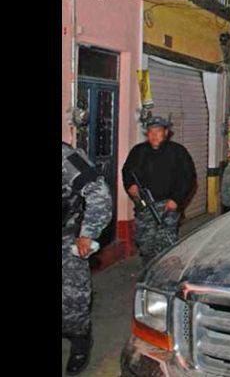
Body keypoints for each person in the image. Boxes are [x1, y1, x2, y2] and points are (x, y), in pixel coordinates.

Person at [62, 142, 112, 375]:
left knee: (73, 302)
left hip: (65, 240)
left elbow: (98, 191)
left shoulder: (66, 157)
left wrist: (88, 233)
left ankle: (81, 343)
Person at [121, 117, 196, 266]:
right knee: (145, 242)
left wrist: (176, 199)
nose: (154, 135)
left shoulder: (177, 151)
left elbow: (188, 177)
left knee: (165, 243)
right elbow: (127, 171)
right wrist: (130, 185)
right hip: (144, 206)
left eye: (158, 131)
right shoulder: (138, 151)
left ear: (166, 133)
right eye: (151, 131)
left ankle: (166, 275)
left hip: (168, 206)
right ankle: (149, 272)